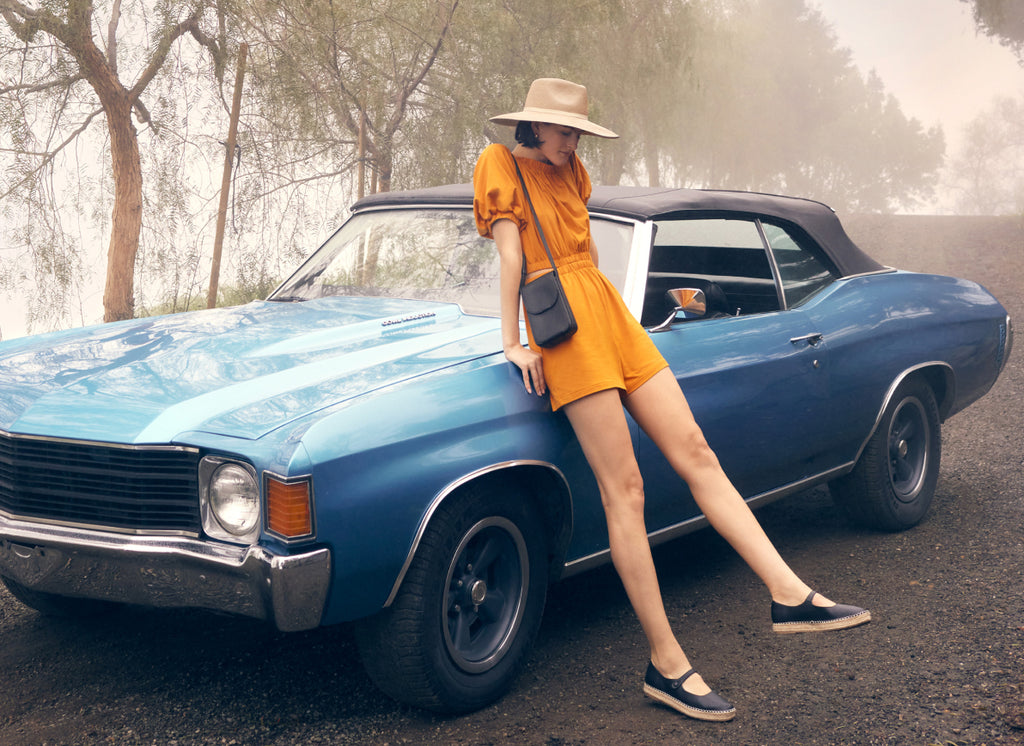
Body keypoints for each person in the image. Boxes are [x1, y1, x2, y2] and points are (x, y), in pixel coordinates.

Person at [472, 77, 870, 722]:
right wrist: (513, 341)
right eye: (559, 128)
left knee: (696, 451)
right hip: (565, 328)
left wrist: (611, 311)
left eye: (576, 129)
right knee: (624, 490)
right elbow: (512, 259)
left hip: (608, 313)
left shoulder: (574, 170)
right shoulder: (498, 167)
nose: (570, 139)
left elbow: (587, 249)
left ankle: (789, 593)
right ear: (531, 126)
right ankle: (666, 664)